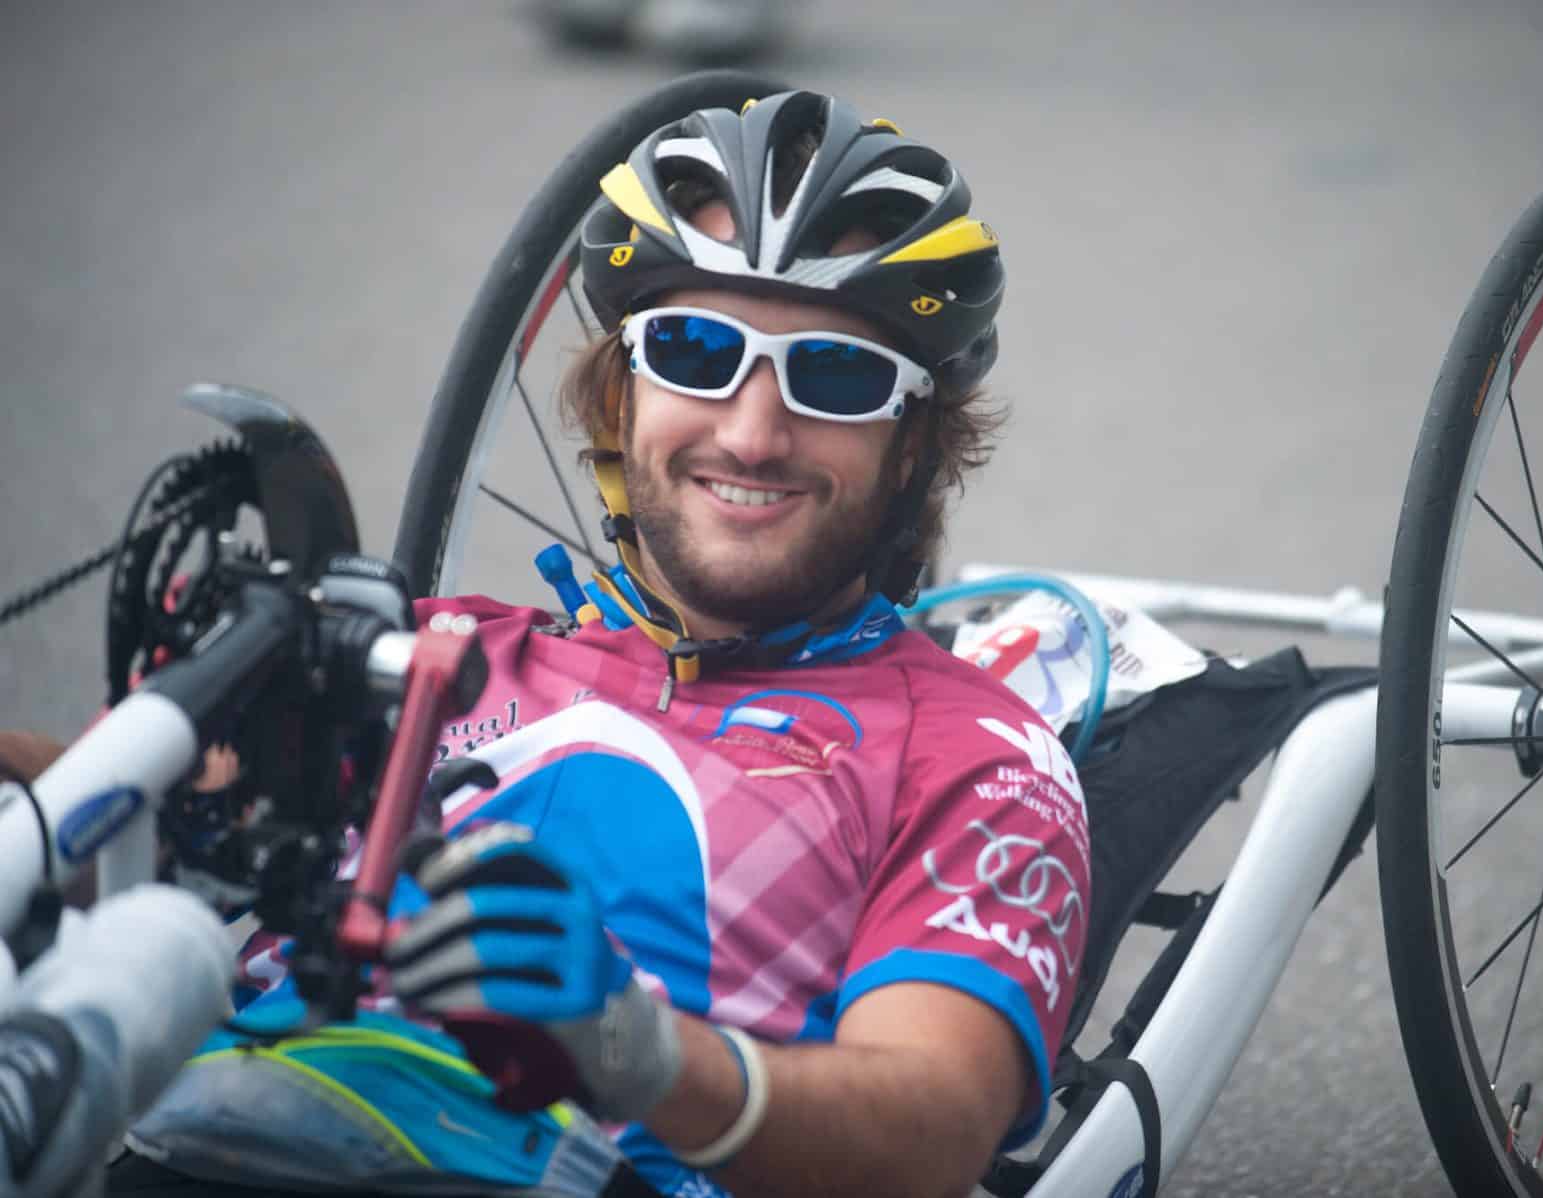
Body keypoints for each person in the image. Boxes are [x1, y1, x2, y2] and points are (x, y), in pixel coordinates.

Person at [100, 88, 1090, 1198]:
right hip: (188, 1132)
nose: (752, 435)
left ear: (912, 447)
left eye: (838, 374)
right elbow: (90, 821)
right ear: (622, 395)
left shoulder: (974, 756)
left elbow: (930, 1134)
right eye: (696, 350)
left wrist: (646, 1052)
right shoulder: (425, 650)